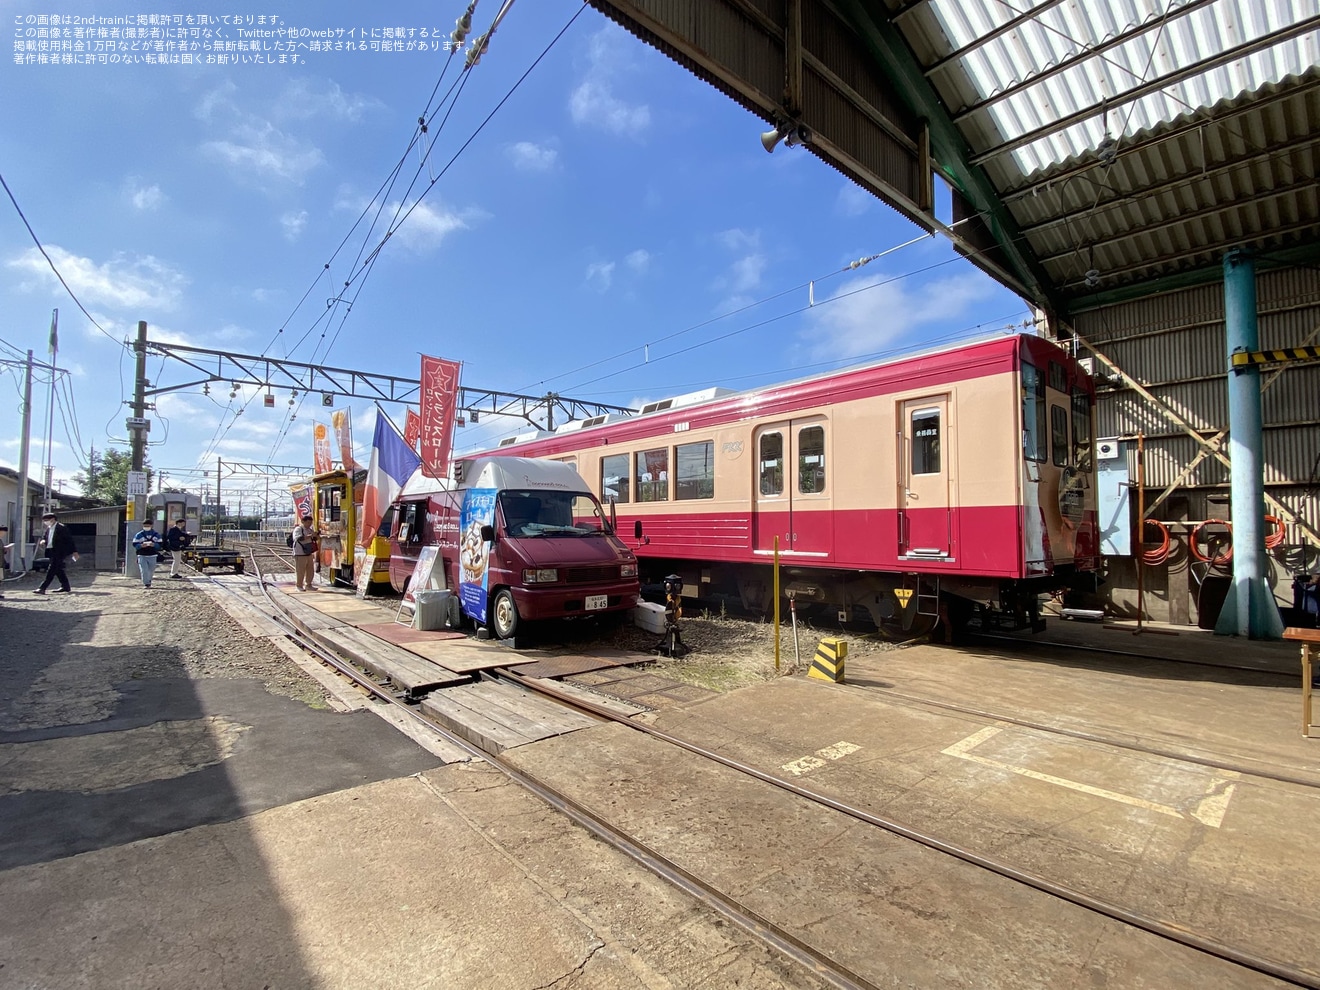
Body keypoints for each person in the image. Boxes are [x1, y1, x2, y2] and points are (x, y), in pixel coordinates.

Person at [34, 511, 77, 595]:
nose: (45, 522)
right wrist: (43, 541)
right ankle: (65, 586)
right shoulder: (49, 528)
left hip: (60, 551)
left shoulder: (62, 528)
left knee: (52, 569)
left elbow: (69, 540)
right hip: (51, 551)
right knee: (58, 569)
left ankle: (42, 587)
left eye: (46, 520)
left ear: (53, 519)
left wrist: (74, 551)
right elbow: (45, 537)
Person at [131, 518, 164, 588]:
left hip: (153, 555)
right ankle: (146, 583)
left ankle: (149, 580)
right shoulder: (139, 534)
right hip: (142, 555)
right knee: (144, 570)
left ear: (151, 526)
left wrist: (154, 545)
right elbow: (134, 544)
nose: (146, 527)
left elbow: (160, 544)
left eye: (148, 526)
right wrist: (140, 546)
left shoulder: (156, 534)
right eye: (145, 526)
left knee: (151, 570)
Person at [292, 513, 319, 591]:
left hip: (308, 552)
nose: (309, 524)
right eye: (308, 523)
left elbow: (314, 539)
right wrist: (310, 536)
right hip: (300, 553)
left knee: (310, 570)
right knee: (300, 570)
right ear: (303, 521)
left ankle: (308, 584)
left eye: (310, 523)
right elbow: (298, 538)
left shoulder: (309, 530)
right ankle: (299, 586)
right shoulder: (298, 529)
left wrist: (315, 536)